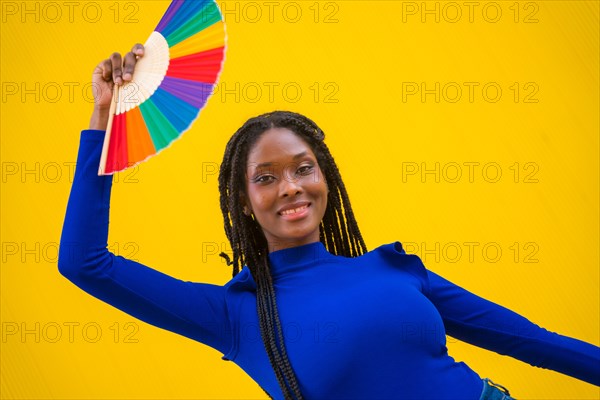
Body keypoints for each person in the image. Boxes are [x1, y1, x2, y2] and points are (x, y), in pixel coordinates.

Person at [58, 43, 600, 400]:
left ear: (326, 180)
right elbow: (84, 263)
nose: (291, 186)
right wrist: (104, 117)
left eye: (302, 169)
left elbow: (530, 341)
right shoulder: (236, 314)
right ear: (243, 201)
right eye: (266, 178)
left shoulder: (394, 269)